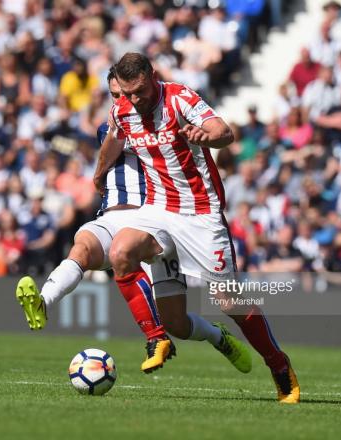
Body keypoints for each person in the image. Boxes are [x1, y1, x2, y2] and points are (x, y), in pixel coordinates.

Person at [15, 67, 251, 374]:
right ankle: (43, 303)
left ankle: (219, 338)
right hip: (115, 217)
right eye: (117, 96)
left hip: (159, 222)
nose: (124, 101)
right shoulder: (115, 124)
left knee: (177, 323)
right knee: (82, 247)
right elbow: (104, 147)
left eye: (127, 94)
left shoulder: (157, 120)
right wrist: (98, 173)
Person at [94, 53, 299, 403]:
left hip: (200, 213)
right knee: (121, 252)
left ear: (152, 77)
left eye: (141, 91)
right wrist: (99, 173)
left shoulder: (179, 97)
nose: (135, 100)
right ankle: (157, 337)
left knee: (228, 300)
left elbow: (225, 132)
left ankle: (279, 364)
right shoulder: (122, 110)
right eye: (128, 94)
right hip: (157, 210)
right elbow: (114, 138)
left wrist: (206, 137)